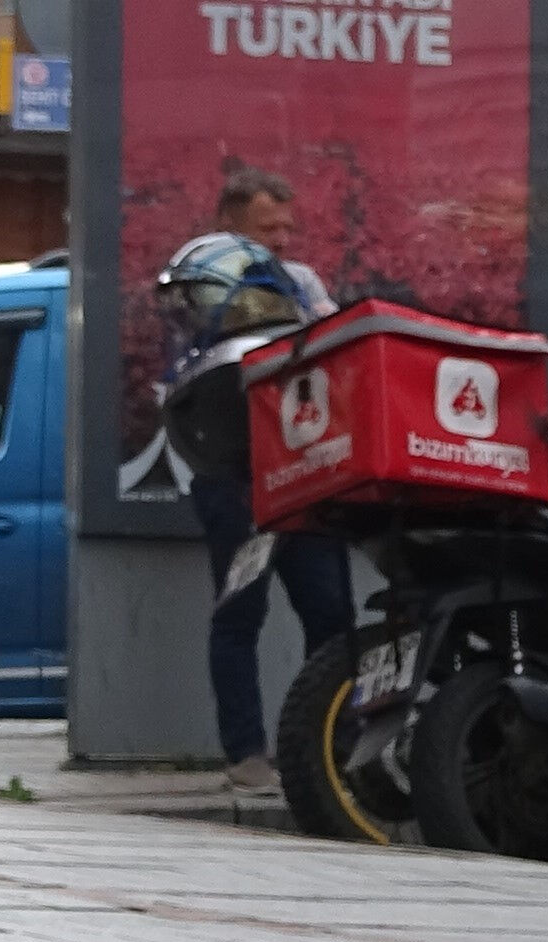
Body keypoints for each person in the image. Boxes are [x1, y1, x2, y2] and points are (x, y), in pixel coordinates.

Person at [178, 170, 353, 800]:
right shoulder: (200, 278)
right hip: (233, 475)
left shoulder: (301, 282)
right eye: (265, 229)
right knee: (240, 613)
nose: (280, 240)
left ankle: (330, 748)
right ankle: (246, 753)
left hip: (302, 469)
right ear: (229, 224)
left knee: (331, 613)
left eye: (286, 228)